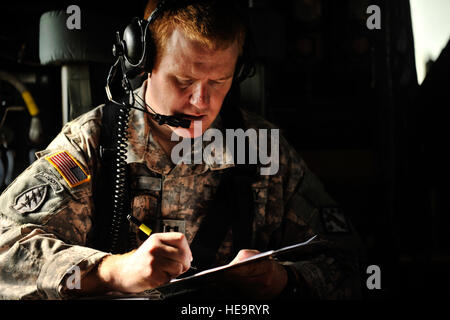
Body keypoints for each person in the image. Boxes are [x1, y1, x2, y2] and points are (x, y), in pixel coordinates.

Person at [0, 0, 362, 300]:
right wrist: (113, 272)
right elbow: (5, 249)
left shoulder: (260, 147)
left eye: (218, 82)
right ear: (143, 65)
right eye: (184, 80)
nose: (200, 101)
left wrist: (283, 280)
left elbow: (351, 262)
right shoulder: (92, 142)